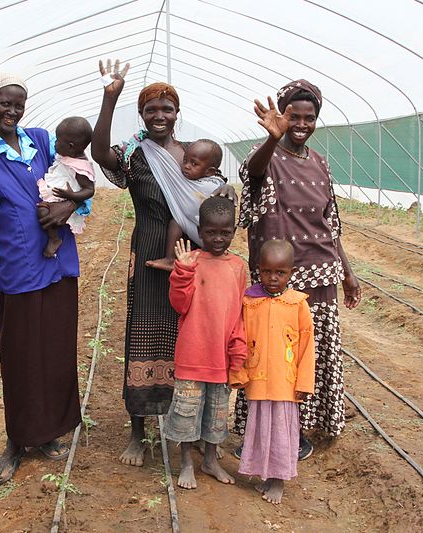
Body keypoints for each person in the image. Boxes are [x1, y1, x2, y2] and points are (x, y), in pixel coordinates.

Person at [92, 59, 236, 467]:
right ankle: (138, 430)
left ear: (177, 114)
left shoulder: (192, 155)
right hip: (149, 248)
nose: (159, 116)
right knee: (143, 331)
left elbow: (216, 198)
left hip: (190, 256)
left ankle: (185, 429)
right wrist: (110, 98)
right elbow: (100, 152)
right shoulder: (135, 153)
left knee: (188, 337)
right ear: (141, 115)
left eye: (166, 109)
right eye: (151, 109)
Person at [0, 73, 90, 485]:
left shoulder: (42, 140)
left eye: (19, 103)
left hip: (58, 260)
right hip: (18, 264)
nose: (12, 111)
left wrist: (67, 208)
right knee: (19, 356)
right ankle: (17, 440)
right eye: (4, 103)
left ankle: (48, 433)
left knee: (55, 349)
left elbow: (77, 180)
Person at [232, 79, 362, 460]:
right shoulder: (266, 155)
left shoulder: (320, 163)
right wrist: (273, 137)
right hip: (279, 279)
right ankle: (264, 432)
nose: (301, 124)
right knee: (272, 358)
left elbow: (330, 224)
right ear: (283, 116)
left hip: (321, 275)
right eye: (294, 116)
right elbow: (252, 174)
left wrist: (348, 274)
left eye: (310, 117)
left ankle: (300, 430)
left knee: (310, 355)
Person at [165, 196, 247, 489]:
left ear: (234, 231)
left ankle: (210, 460)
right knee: (187, 413)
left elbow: (238, 313)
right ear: (200, 230)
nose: (218, 238)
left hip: (220, 359)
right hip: (192, 355)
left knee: (216, 415)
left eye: (225, 233)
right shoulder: (191, 262)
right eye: (211, 232)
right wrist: (183, 272)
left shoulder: (238, 267)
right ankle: (186, 462)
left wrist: (237, 352)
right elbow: (179, 304)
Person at [231, 239, 315, 505]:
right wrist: (238, 372)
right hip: (257, 379)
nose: (273, 278)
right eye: (267, 271)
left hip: (285, 383)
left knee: (280, 431)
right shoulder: (249, 301)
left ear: (291, 272)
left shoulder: (297, 304)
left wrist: (304, 381)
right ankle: (265, 475)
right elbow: (240, 337)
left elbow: (307, 345)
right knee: (260, 428)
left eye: (280, 273)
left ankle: (278, 480)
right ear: (258, 269)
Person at [146, 139, 225, 272]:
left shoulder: (211, 186)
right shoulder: (183, 180)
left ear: (209, 172)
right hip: (195, 229)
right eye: (185, 161)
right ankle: (170, 259)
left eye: (194, 164)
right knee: (176, 221)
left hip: (211, 235)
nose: (187, 166)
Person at [36, 116, 96, 258]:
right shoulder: (68, 155)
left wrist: (71, 197)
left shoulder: (81, 166)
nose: (54, 143)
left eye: (57, 141)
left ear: (70, 146)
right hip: (61, 194)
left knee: (43, 212)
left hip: (66, 198)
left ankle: (54, 238)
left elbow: (89, 190)